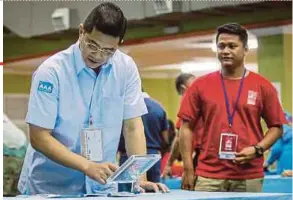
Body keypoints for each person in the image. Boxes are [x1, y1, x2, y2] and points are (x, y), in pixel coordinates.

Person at [18, 2, 168, 195]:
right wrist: (87, 166)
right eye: (93, 45)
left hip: (99, 188)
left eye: (108, 50)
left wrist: (140, 179)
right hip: (50, 187)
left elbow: (132, 126)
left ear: (118, 44)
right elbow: (39, 137)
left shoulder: (126, 68)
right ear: (81, 31)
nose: (98, 55)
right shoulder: (51, 72)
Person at [178, 23, 287, 192]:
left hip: (248, 175)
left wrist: (258, 149)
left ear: (245, 50)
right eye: (221, 46)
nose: (225, 51)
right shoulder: (200, 85)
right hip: (208, 175)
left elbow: (277, 127)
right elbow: (186, 128)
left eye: (232, 46)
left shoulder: (262, 86)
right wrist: (188, 168)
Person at [118, 90, 169, 183]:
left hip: (128, 157)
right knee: (154, 191)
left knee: (128, 192)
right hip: (153, 157)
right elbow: (166, 139)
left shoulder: (123, 107)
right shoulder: (159, 108)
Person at [162, 73, 203, 180]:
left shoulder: (189, 98)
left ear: (182, 89)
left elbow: (180, 138)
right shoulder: (206, 97)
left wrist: (169, 164)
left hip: (204, 157)